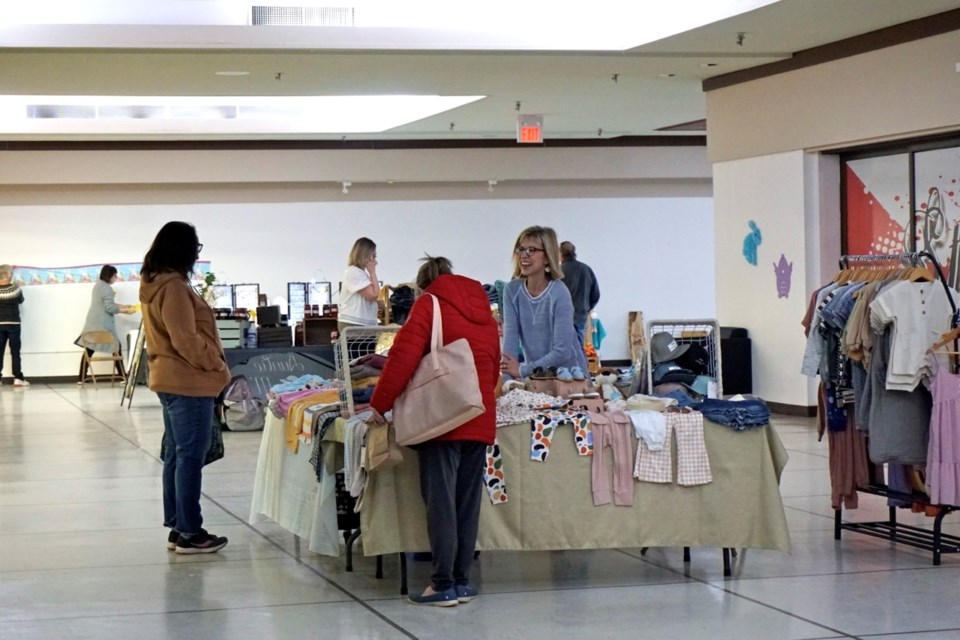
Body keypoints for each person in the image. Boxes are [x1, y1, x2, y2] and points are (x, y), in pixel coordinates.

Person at [368, 256, 499, 607]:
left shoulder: (430, 305)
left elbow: (402, 358)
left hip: (442, 419)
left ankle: (441, 584)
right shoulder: (485, 312)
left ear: (424, 284)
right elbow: (493, 368)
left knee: (440, 502)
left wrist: (379, 403)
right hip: (479, 414)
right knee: (467, 502)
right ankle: (462, 581)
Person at [140, 221, 231, 554]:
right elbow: (185, 340)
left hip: (171, 380)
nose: (196, 253)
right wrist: (216, 363)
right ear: (183, 249)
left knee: (177, 457)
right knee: (189, 458)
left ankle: (179, 527)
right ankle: (191, 532)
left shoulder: (156, 284)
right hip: (188, 383)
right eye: (195, 247)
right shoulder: (175, 287)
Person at [500, 226, 588, 380]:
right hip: (537, 378)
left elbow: (562, 351)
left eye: (531, 250)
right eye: (521, 249)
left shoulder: (559, 293)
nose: (524, 256)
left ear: (547, 257)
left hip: (571, 380)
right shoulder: (512, 291)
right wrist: (509, 385)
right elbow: (509, 350)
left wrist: (523, 371)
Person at [75, 265, 137, 382]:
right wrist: (126, 311)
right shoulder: (107, 288)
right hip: (103, 326)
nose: (116, 277)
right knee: (116, 347)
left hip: (92, 326)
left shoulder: (97, 286)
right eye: (114, 275)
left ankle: (81, 378)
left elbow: (107, 304)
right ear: (110, 276)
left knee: (89, 349)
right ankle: (123, 376)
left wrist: (125, 306)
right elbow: (110, 308)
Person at [559, 241, 600, 344]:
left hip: (561, 318)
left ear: (560, 254)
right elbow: (596, 294)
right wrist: (586, 308)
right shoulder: (586, 269)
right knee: (578, 348)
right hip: (580, 316)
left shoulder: (558, 272)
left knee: (563, 349)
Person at [338, 237, 381, 331]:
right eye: (373, 256)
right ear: (365, 255)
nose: (375, 260)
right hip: (355, 323)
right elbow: (373, 295)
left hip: (362, 324)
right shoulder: (353, 272)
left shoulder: (361, 273)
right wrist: (372, 272)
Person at [0, 264, 28, 387]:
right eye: (11, 273)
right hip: (14, 324)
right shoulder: (15, 289)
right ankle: (18, 378)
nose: (12, 275)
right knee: (15, 352)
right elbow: (21, 300)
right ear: (8, 275)